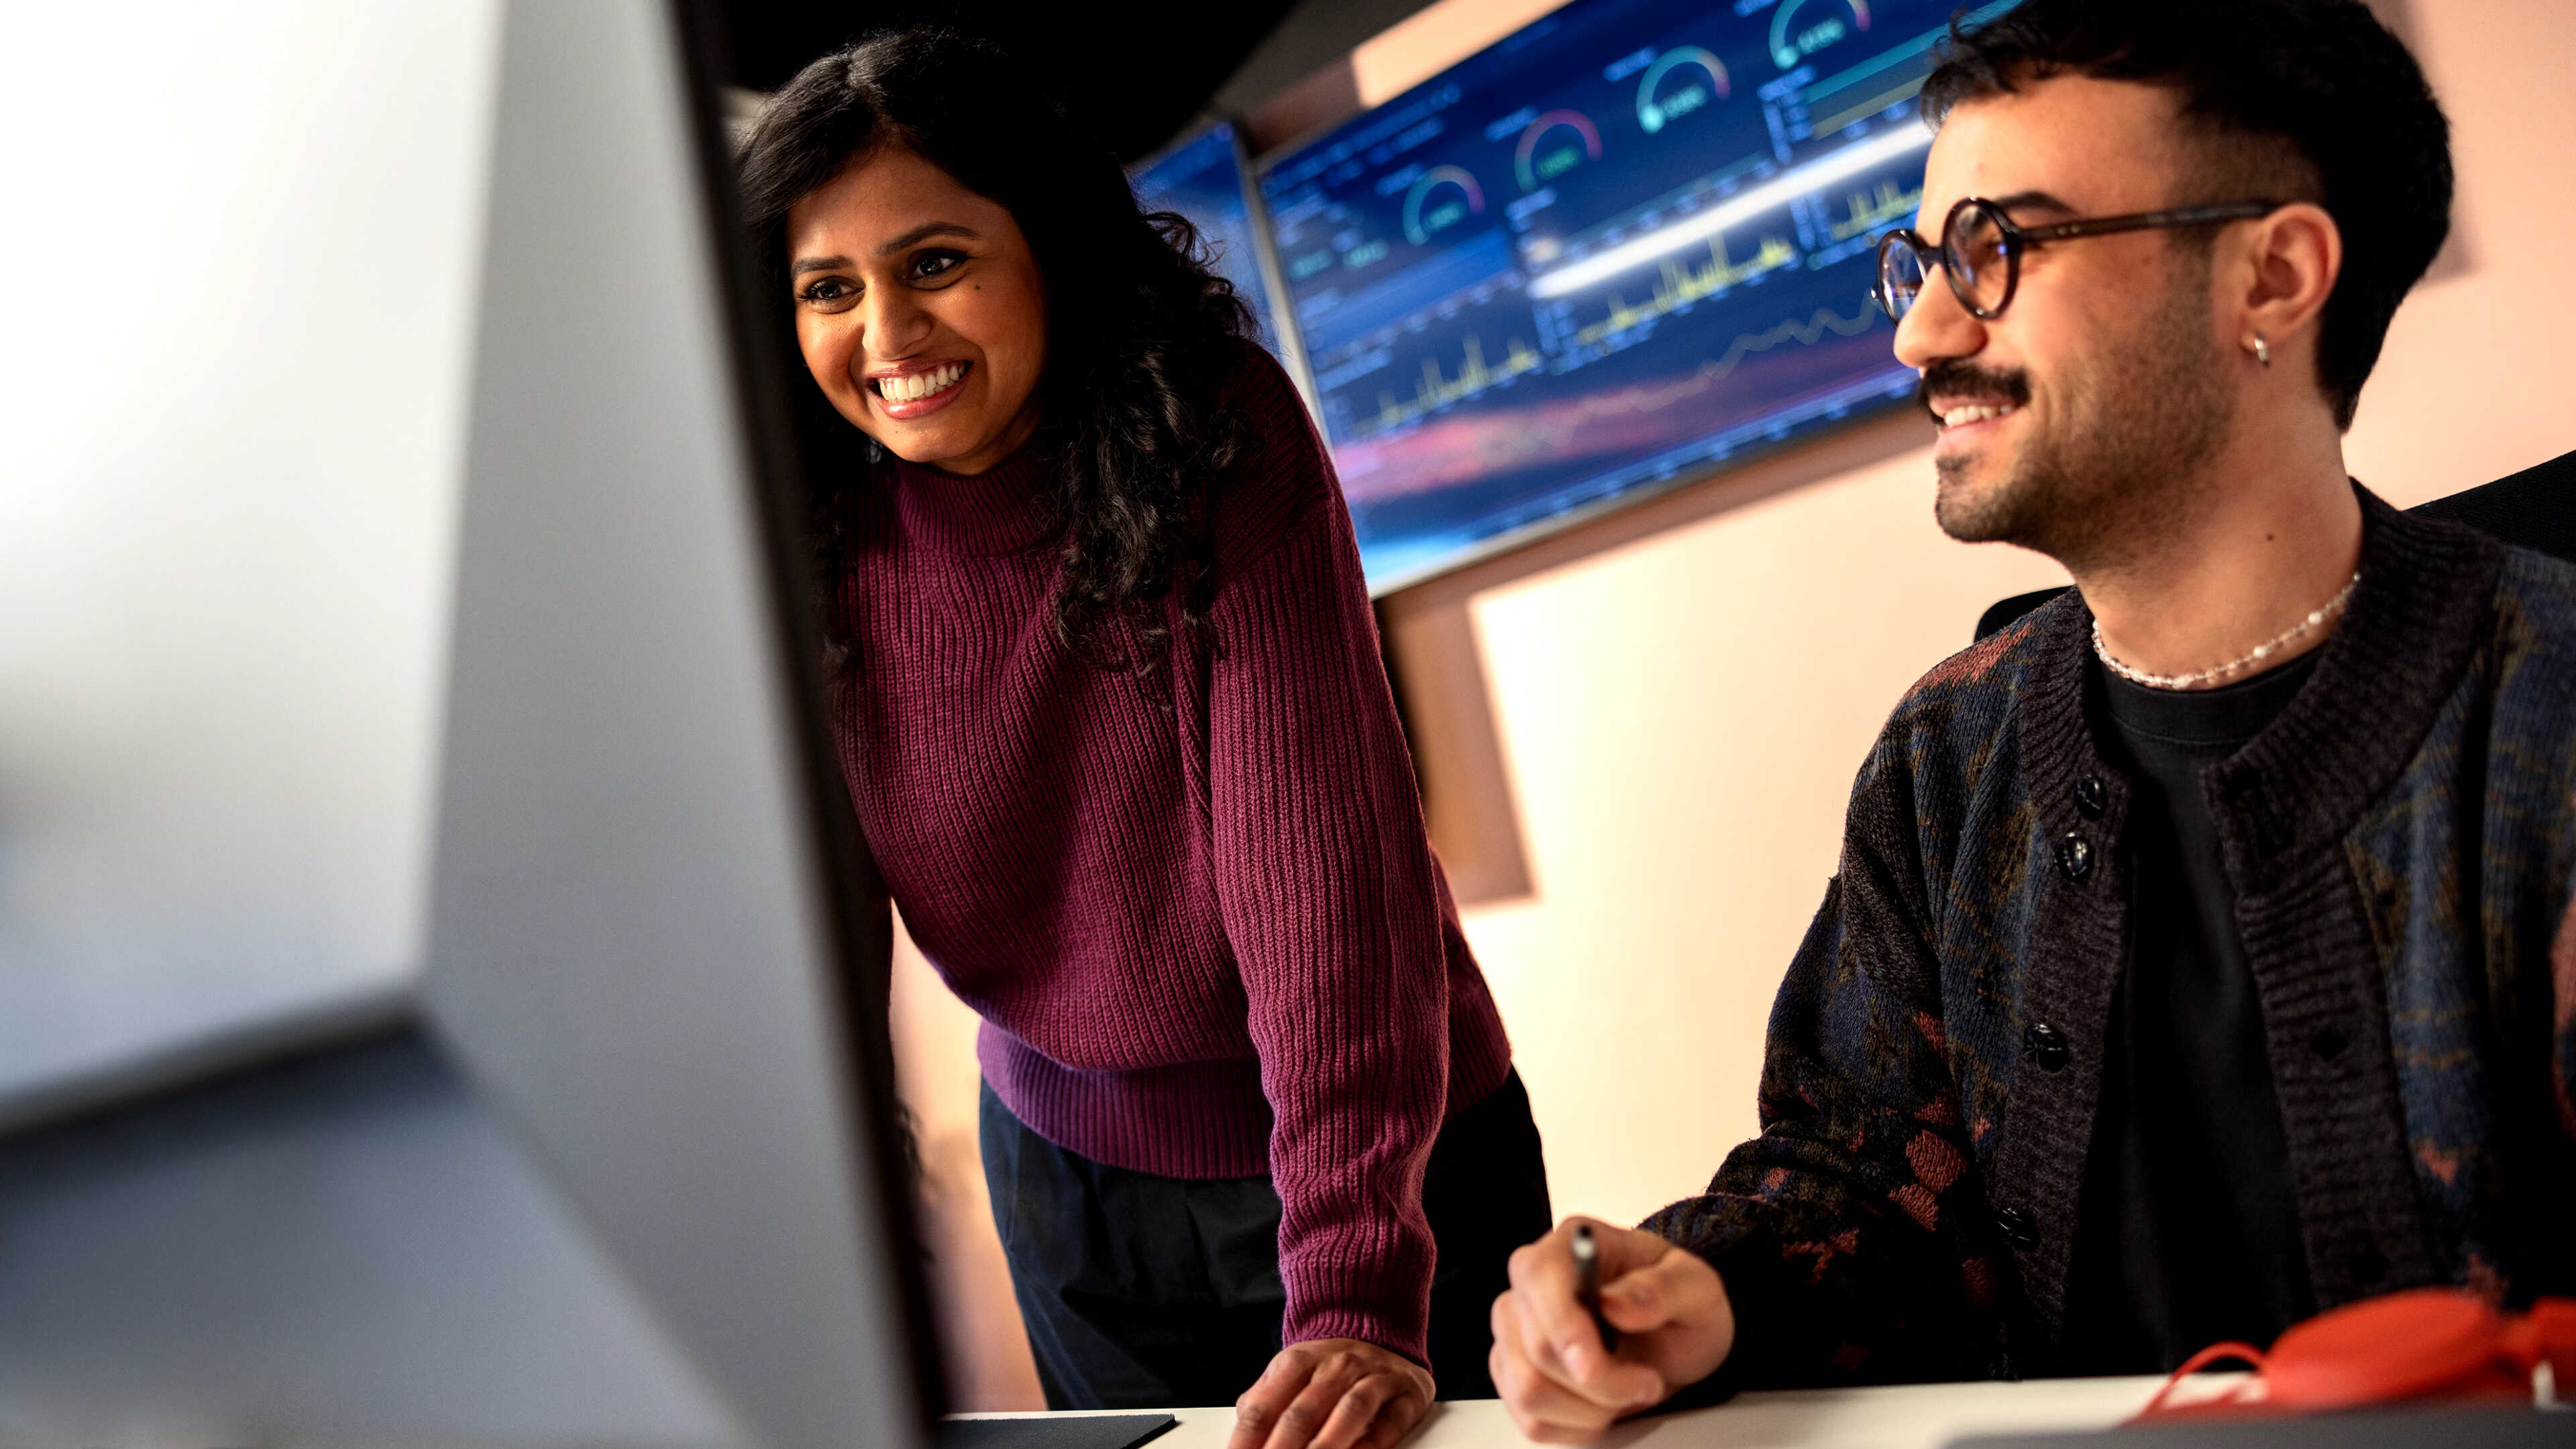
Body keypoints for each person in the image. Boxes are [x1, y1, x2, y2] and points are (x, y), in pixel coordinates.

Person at [1487, 1, 2576, 1438]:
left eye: (2001, 251)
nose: (1923, 335)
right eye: (1926, 264)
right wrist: (1713, 1291)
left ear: (2273, 275)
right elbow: (1873, 1191)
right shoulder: (1949, 758)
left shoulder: (2546, 715)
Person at [734, 28, 1550, 1449]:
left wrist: (1356, 1285)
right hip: (1068, 1175)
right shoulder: (802, 535)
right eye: (827, 289)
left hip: (1377, 1151)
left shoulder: (1214, 432)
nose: (886, 336)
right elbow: (809, 952)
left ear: (1045, 244)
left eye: (934, 262)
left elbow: (1325, 883)